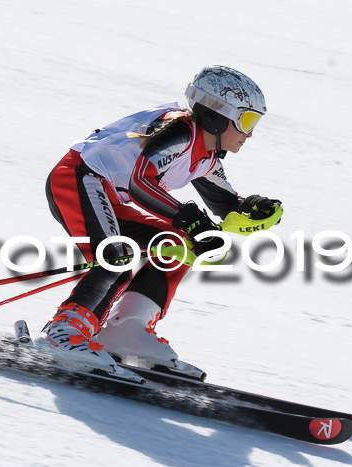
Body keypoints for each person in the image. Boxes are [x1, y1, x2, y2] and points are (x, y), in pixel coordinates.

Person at [35, 65, 281, 380]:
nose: (249, 134)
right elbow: (140, 182)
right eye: (246, 121)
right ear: (216, 115)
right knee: (117, 256)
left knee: (179, 243)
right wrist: (189, 217)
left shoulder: (205, 154)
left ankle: (125, 329)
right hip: (81, 179)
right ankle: (64, 331)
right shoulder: (179, 131)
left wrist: (251, 207)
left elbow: (225, 205)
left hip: (110, 195)